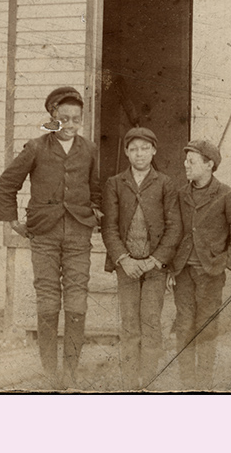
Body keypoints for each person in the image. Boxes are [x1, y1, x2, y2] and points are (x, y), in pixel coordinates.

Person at [0, 86, 101, 387]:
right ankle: (50, 371)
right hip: (43, 233)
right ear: (53, 117)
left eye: (76, 120)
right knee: (47, 298)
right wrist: (12, 220)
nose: (69, 125)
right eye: (64, 118)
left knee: (77, 298)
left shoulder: (90, 149)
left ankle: (70, 370)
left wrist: (95, 213)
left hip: (78, 234)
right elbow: (7, 184)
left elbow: (95, 189)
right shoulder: (36, 147)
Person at [101, 127, 181, 390]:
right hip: (128, 266)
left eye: (145, 148)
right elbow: (109, 227)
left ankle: (148, 379)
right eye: (133, 149)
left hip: (154, 267)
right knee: (129, 323)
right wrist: (124, 259)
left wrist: (156, 259)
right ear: (126, 152)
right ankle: (129, 381)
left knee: (150, 321)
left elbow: (174, 227)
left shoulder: (165, 183)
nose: (139, 154)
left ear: (154, 150)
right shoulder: (115, 183)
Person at [168, 139, 231, 389]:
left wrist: (226, 262)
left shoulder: (226, 195)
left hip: (211, 273)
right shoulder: (181, 194)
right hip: (183, 272)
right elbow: (173, 231)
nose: (185, 165)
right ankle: (187, 383)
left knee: (206, 327)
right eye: (186, 160)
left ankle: (203, 383)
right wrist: (171, 267)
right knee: (184, 325)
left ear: (209, 164)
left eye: (191, 161)